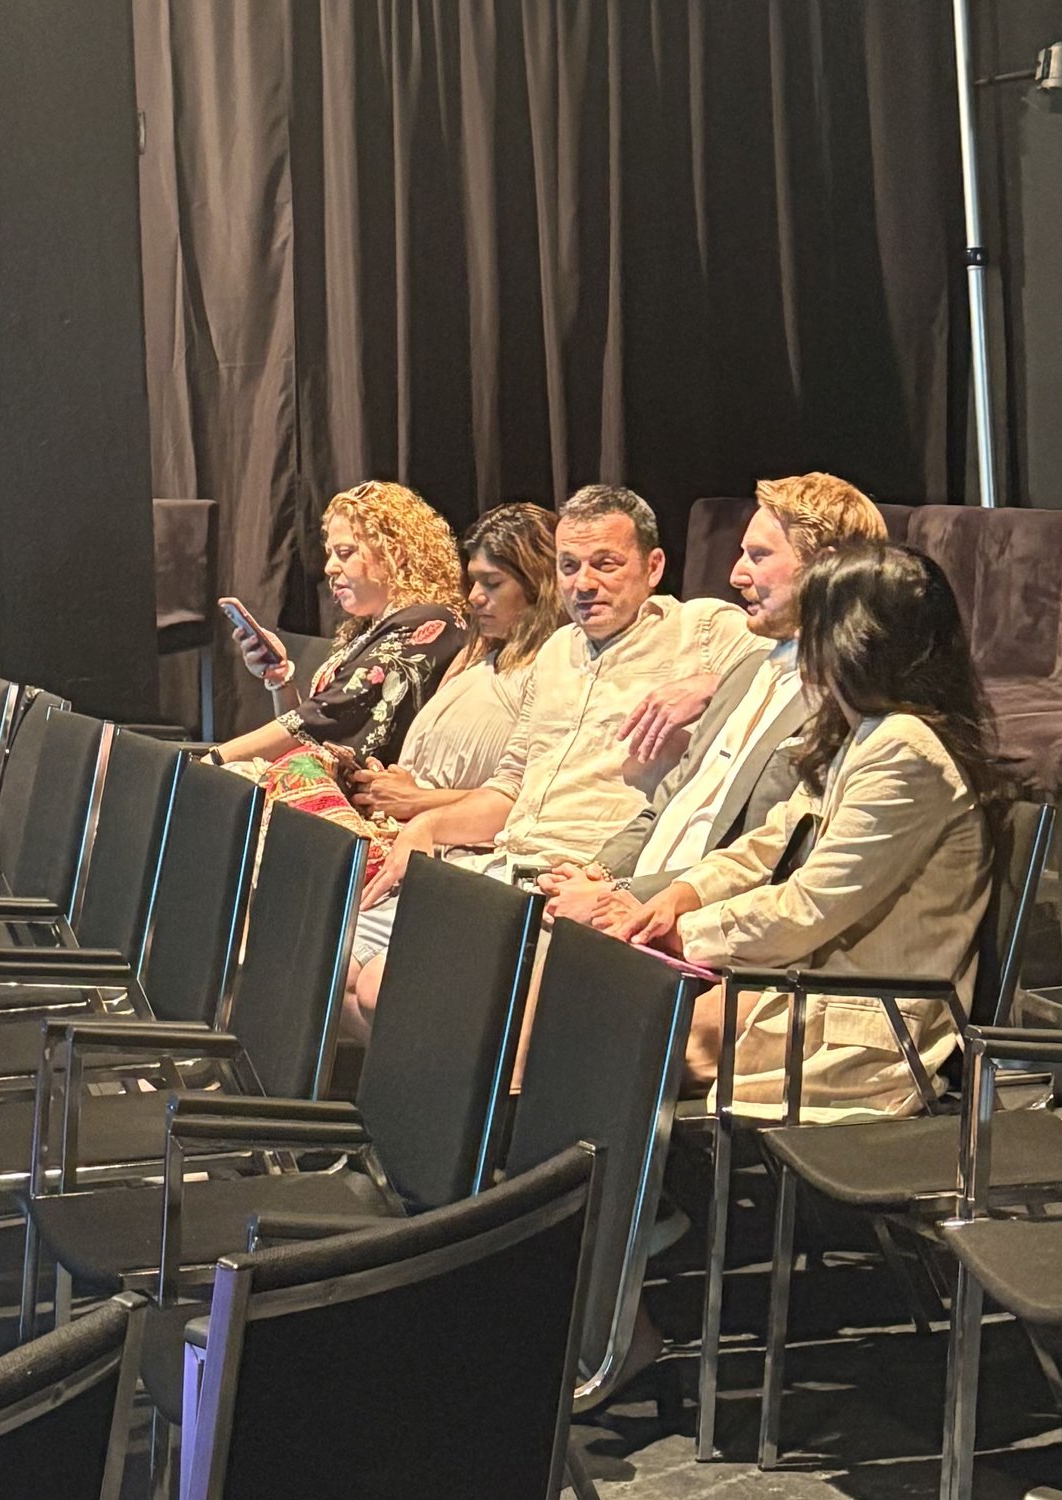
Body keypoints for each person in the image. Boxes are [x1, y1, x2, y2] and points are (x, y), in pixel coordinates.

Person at [623, 539, 1008, 1118]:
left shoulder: (906, 750)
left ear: (849, 639)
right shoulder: (863, 732)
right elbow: (774, 840)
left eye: (814, 624)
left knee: (609, 1049)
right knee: (589, 1022)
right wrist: (682, 896)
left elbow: (810, 907)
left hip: (854, 1029)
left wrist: (684, 934)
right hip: (796, 993)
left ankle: (588, 1201)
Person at [545, 473, 888, 937]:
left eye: (759, 556)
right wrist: (597, 872)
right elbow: (667, 803)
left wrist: (622, 895)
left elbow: (774, 859)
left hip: (699, 932)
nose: (736, 574)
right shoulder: (746, 671)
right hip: (631, 910)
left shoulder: (849, 699)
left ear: (823, 568)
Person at [366, 483, 750, 897]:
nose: (583, 584)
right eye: (569, 566)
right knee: (342, 928)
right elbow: (510, 789)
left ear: (653, 567)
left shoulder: (703, 627)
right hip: (499, 865)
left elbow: (803, 672)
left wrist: (714, 686)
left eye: (605, 564)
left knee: (384, 959)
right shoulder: (555, 651)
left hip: (590, 883)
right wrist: (429, 824)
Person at [338, 501, 560, 1027]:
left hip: (457, 853)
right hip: (402, 838)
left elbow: (521, 791)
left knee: (369, 982)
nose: (474, 597)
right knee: (310, 954)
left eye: (493, 583)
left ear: (536, 584)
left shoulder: (547, 668)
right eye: (472, 581)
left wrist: (421, 804)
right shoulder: (480, 655)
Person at [217, 484, 464, 794]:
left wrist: (214, 760)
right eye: (331, 553)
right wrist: (281, 680)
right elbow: (311, 734)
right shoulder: (371, 629)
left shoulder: (428, 623)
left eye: (345, 553)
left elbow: (324, 719)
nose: (330, 567)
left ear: (395, 554)